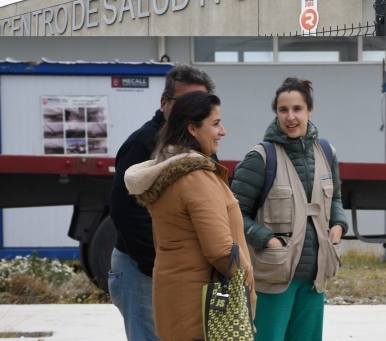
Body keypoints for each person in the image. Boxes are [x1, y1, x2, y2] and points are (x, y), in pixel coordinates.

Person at [124, 90, 256, 341]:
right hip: (202, 308)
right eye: (215, 123)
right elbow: (221, 250)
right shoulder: (196, 177)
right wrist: (248, 286)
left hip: (176, 300)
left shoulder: (170, 171)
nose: (223, 131)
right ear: (193, 129)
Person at [230, 77, 348, 341]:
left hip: (314, 278)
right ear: (276, 113)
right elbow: (233, 215)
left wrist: (339, 226)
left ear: (309, 111)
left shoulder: (327, 153)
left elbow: (336, 199)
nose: (290, 117)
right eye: (283, 110)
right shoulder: (260, 158)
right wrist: (267, 240)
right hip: (273, 278)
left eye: (297, 109)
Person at [108, 64, 214, 341]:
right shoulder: (143, 144)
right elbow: (127, 213)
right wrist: (159, 267)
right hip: (144, 272)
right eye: (184, 103)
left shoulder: (196, 147)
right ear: (165, 103)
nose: (192, 111)